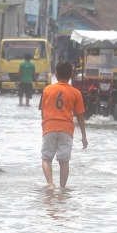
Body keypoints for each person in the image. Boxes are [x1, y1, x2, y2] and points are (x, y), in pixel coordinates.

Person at [39, 60, 88, 189]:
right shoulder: (76, 93)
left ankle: (50, 184)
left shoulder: (47, 90)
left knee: (46, 158)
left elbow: (42, 111)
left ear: (56, 75)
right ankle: (62, 189)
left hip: (49, 126)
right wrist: (83, 135)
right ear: (71, 75)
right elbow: (80, 115)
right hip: (67, 129)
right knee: (64, 161)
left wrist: (43, 126)